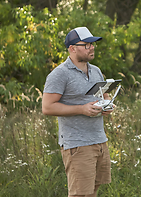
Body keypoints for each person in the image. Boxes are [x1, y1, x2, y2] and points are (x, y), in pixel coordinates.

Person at [42, 27, 113, 197]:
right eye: (87, 45)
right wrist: (81, 109)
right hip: (77, 145)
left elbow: (104, 95)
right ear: (72, 48)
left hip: (99, 140)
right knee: (80, 194)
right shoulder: (59, 74)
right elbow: (47, 107)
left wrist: (107, 106)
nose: (92, 47)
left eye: (93, 44)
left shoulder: (95, 70)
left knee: (93, 191)